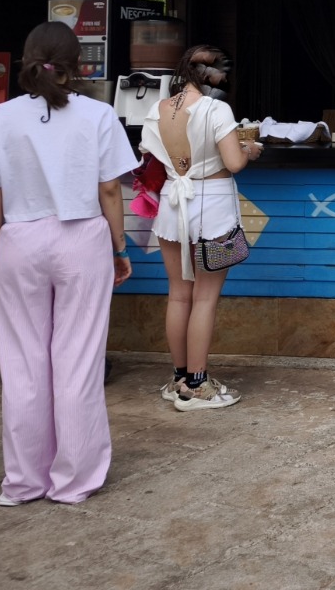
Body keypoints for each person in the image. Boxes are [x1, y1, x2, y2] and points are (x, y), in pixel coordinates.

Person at [0, 21, 138, 506]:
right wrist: (119, 248)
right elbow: (109, 190)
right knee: (77, 359)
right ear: (79, 65)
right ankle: (74, 480)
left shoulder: (1, 117)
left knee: (21, 363)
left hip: (18, 239)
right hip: (81, 238)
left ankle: (23, 481)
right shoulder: (98, 114)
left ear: (28, 59)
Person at [138, 45, 261, 411]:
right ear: (211, 74)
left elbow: (150, 154)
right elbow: (234, 162)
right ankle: (197, 386)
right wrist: (250, 149)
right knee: (204, 298)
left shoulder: (158, 107)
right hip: (212, 205)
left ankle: (179, 379)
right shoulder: (215, 108)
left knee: (178, 294)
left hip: (172, 202)